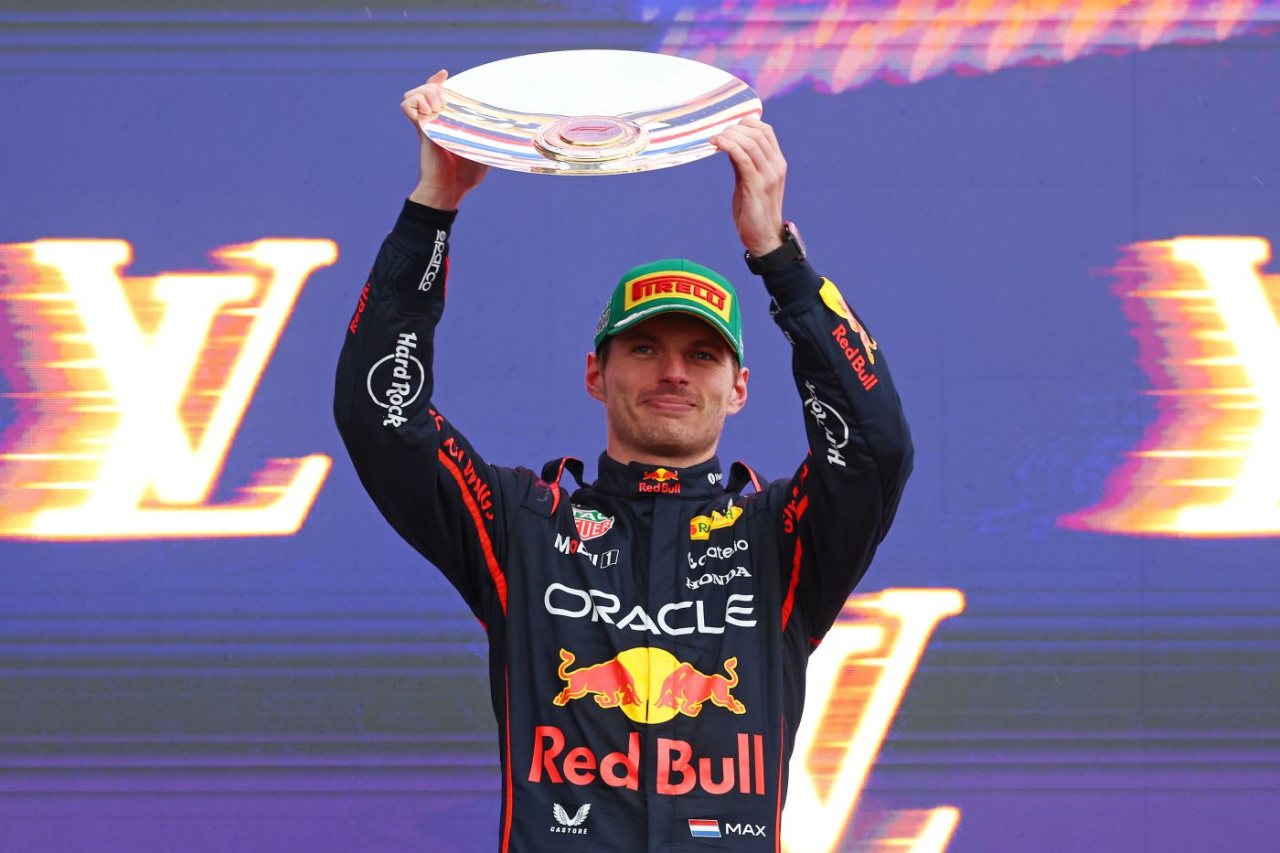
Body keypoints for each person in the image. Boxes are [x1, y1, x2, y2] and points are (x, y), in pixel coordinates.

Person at [333, 70, 913, 852]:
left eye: (702, 354)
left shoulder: (779, 539)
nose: (673, 372)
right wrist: (432, 206)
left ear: (739, 388)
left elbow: (876, 447)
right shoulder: (524, 527)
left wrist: (778, 258)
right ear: (595, 373)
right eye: (643, 347)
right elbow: (381, 415)